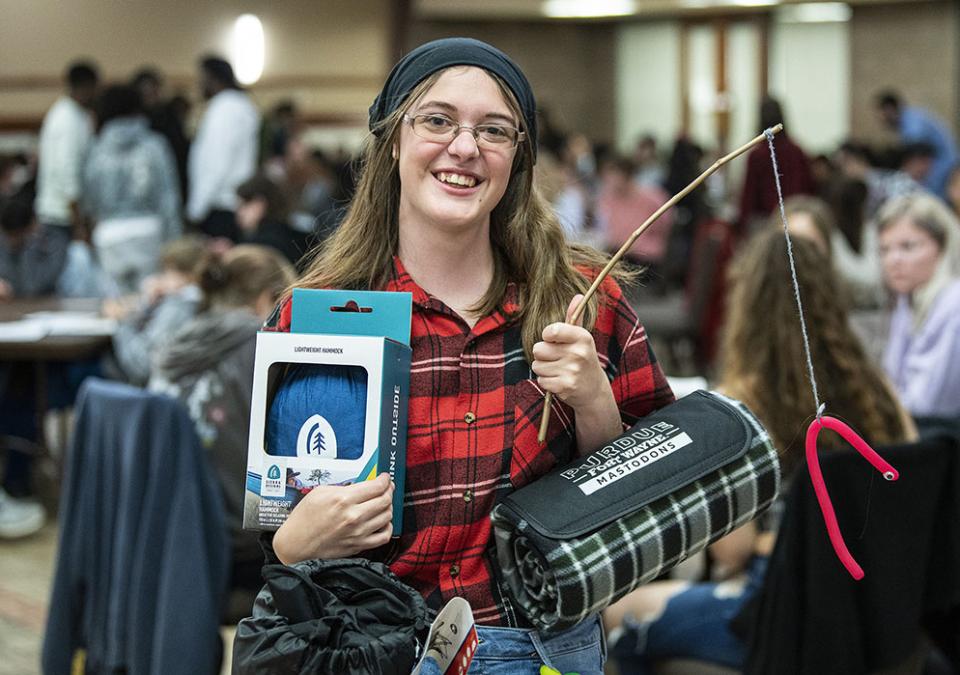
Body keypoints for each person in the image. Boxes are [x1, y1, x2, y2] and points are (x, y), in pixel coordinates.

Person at [260, 37, 674, 674]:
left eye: (494, 130)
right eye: (437, 120)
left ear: (517, 159)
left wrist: (593, 401)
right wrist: (293, 545)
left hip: (541, 648)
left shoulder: (587, 302)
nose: (464, 147)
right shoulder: (316, 318)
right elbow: (276, 533)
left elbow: (648, 510)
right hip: (373, 644)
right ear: (393, 139)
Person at [604, 227, 915, 674]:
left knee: (618, 615)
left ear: (745, 304)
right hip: (874, 611)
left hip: (779, 615)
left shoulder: (740, 405)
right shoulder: (877, 389)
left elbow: (734, 552)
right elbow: (905, 490)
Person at [149, 245, 295, 601]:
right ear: (269, 298)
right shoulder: (267, 348)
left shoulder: (177, 344)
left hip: (164, 532)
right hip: (239, 546)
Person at [84, 84, 183, 293]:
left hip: (108, 233)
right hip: (148, 231)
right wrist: (174, 240)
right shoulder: (154, 145)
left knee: (116, 307)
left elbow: (89, 197)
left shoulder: (96, 148)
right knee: (151, 301)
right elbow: (168, 197)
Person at [878, 193, 960, 419]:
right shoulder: (909, 298)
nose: (893, 260)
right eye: (884, 249)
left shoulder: (954, 304)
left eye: (908, 246)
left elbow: (928, 405)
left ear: (942, 247)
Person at [104, 237, 207, 386]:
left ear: (185, 275)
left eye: (167, 272)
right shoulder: (191, 301)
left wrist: (121, 321)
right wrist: (148, 305)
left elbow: (141, 366)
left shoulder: (178, 308)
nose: (162, 279)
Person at [34, 60, 100, 274]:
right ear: (86, 86)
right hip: (62, 215)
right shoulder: (66, 120)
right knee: (66, 277)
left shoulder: (76, 115)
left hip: (68, 213)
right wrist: (79, 222)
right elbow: (67, 173)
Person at [187, 56, 260, 241]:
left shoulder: (226, 109)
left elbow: (216, 160)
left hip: (220, 204)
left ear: (213, 78)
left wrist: (196, 209)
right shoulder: (241, 106)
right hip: (231, 201)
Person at [738, 97, 814, 234]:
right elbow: (808, 187)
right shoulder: (797, 151)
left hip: (766, 222)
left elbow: (748, 196)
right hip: (795, 219)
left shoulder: (757, 155)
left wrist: (741, 226)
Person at [875, 90, 958, 199]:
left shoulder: (912, 122)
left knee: (931, 198)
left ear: (889, 109)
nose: (881, 120)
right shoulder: (910, 119)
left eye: (882, 114)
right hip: (940, 162)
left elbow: (916, 152)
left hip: (943, 164)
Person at [235, 174, 311, 267]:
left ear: (260, 204)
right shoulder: (293, 235)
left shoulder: (261, 243)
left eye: (244, 205)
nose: (239, 212)